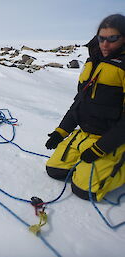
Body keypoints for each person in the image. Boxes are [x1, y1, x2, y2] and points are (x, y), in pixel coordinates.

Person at [45, 14, 125, 202]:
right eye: (101, 38)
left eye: (112, 38)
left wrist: (101, 148)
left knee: (85, 191)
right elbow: (79, 103)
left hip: (113, 138)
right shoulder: (92, 62)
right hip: (86, 133)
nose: (105, 44)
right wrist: (61, 131)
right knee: (54, 170)